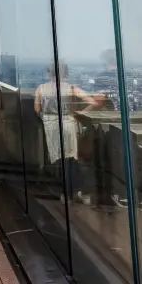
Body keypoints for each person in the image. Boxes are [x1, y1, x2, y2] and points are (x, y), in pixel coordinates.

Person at [34, 62, 99, 205]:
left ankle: (65, 193)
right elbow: (93, 102)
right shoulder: (71, 88)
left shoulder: (40, 89)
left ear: (48, 73)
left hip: (51, 126)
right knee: (72, 159)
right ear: (66, 73)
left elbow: (37, 110)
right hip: (68, 124)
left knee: (59, 160)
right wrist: (78, 114)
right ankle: (75, 191)